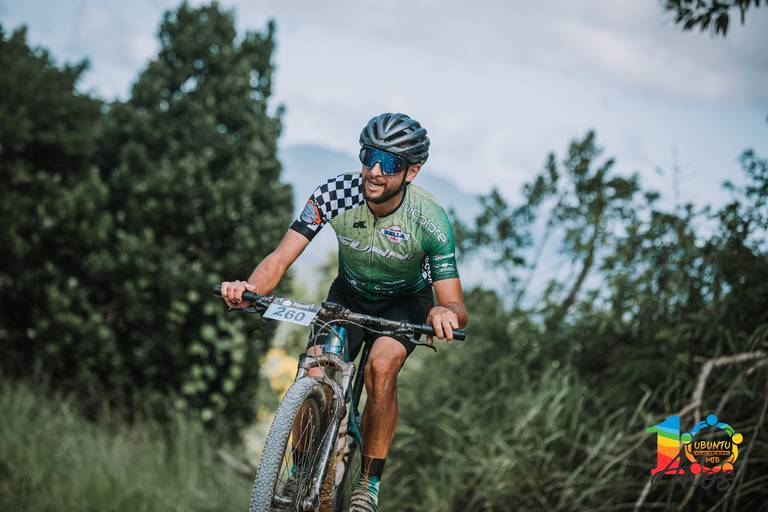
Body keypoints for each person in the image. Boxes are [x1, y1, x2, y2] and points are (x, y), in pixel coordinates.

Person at [219, 112, 469, 511]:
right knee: (315, 366)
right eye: (369, 155)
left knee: (381, 366)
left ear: (412, 171)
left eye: (388, 162)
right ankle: (300, 472)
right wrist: (250, 288)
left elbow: (455, 304)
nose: (374, 171)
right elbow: (280, 258)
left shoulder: (429, 219)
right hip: (349, 295)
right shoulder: (336, 193)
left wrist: (445, 314)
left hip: (405, 304)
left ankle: (367, 483)